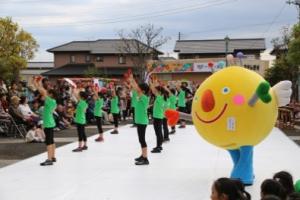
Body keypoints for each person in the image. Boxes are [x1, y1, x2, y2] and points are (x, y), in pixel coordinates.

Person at [33, 77, 57, 166]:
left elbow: (41, 90)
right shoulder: (54, 101)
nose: (44, 95)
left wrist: (36, 81)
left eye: (47, 94)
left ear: (50, 95)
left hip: (48, 123)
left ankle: (49, 159)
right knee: (51, 141)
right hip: (51, 122)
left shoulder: (49, 100)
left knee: (49, 142)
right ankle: (53, 157)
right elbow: (43, 91)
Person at [128, 74, 150, 165]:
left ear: (143, 91)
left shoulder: (144, 97)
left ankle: (145, 158)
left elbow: (136, 89)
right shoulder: (140, 96)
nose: (137, 90)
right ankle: (142, 155)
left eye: (139, 88)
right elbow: (135, 89)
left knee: (142, 139)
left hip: (142, 121)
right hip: (140, 121)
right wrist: (132, 81)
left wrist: (133, 80)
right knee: (141, 139)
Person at [149, 79, 165, 153]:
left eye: (156, 91)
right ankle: (159, 146)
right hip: (159, 116)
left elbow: (153, 90)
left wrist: (151, 83)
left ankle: (158, 147)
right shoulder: (161, 97)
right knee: (159, 132)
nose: (154, 92)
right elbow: (154, 90)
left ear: (159, 92)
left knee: (158, 133)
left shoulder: (159, 97)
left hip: (158, 117)